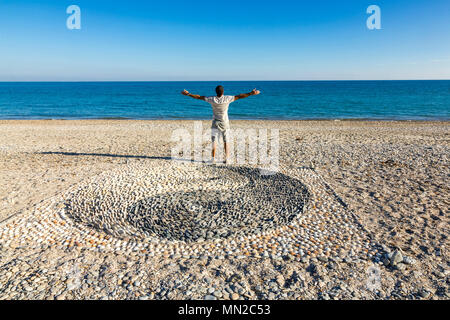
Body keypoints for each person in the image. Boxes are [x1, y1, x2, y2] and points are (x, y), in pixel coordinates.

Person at [181, 85, 261, 163]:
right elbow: (240, 96)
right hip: (225, 123)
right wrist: (251, 93)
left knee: (214, 141)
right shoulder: (227, 98)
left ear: (216, 92)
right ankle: (227, 159)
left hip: (215, 122)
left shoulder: (212, 99)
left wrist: (188, 94)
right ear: (223, 92)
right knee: (226, 141)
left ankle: (213, 159)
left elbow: (199, 97)